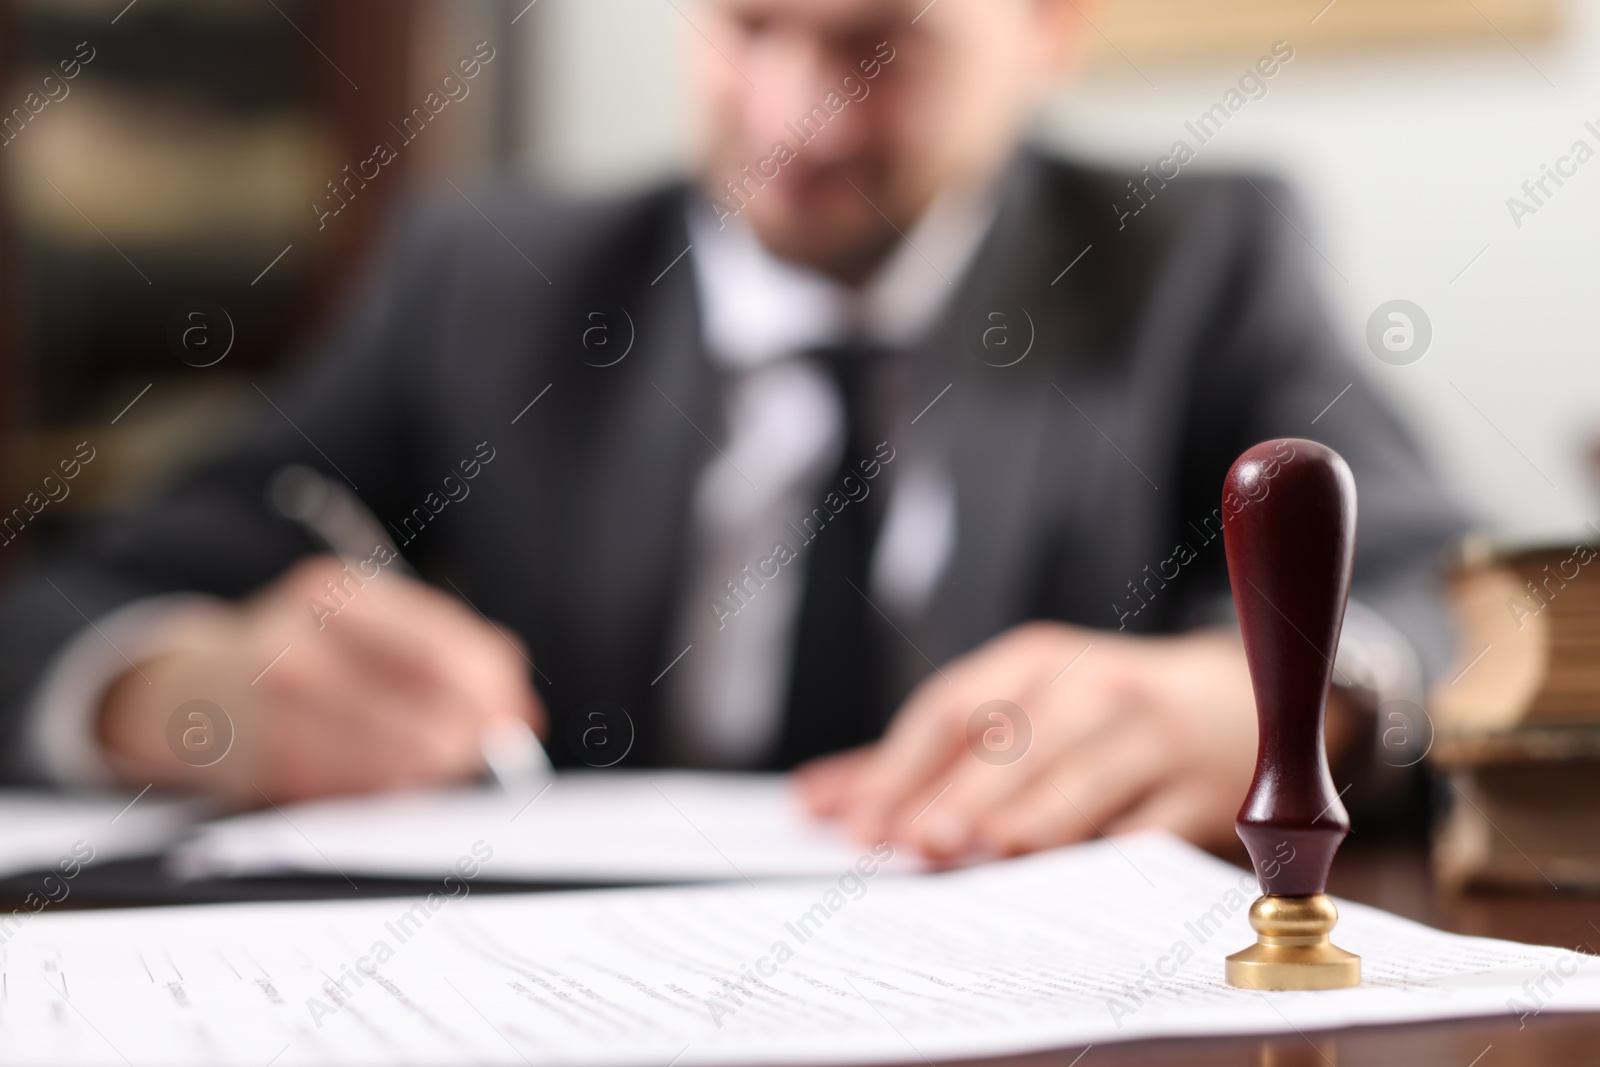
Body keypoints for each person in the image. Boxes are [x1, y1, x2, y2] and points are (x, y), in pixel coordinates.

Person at [0, 0, 1462, 861]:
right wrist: (173, 687)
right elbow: (60, 598)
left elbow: (1455, 603)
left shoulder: (1198, 259)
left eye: (878, 43)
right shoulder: (482, 283)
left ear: (1049, 28)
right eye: (749, 23)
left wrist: (1275, 706)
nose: (798, 119)